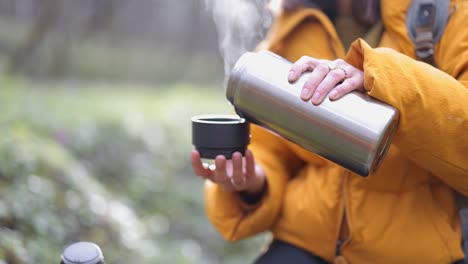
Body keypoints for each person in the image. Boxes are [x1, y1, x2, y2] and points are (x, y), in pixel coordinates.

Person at [191, 0, 468, 263]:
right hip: (305, 243)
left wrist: (383, 81)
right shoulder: (295, 20)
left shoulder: (446, 10)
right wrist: (255, 181)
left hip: (414, 250)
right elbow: (270, 144)